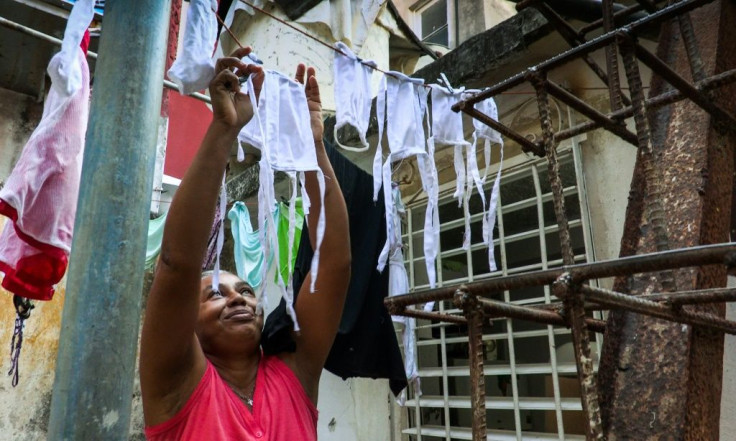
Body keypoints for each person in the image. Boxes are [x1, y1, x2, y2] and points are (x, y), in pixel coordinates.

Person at [139, 47, 351, 440]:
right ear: (187, 325)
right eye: (214, 295)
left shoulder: (296, 372)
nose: (238, 299)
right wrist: (224, 128)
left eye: (247, 290)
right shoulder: (175, 387)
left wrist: (310, 148)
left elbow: (334, 262)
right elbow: (177, 265)